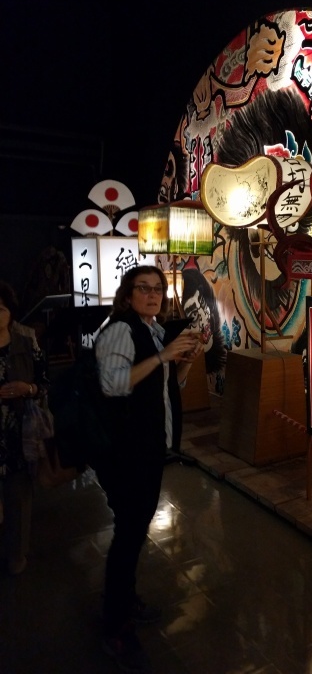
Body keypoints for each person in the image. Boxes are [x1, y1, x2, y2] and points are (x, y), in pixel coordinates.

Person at [93, 265, 203, 672]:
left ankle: (124, 600)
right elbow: (112, 385)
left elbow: (165, 386)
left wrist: (182, 361)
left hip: (148, 449)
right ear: (128, 295)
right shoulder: (121, 330)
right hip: (125, 452)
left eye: (158, 289)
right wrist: (162, 356)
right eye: (144, 288)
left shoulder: (153, 331)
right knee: (128, 535)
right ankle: (115, 628)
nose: (153, 295)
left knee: (135, 531)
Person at [0, 280, 49, 575]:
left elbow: (44, 383)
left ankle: (17, 555)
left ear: (10, 312)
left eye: (1, 308)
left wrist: (27, 388)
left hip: (19, 432)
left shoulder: (26, 341)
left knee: (19, 496)